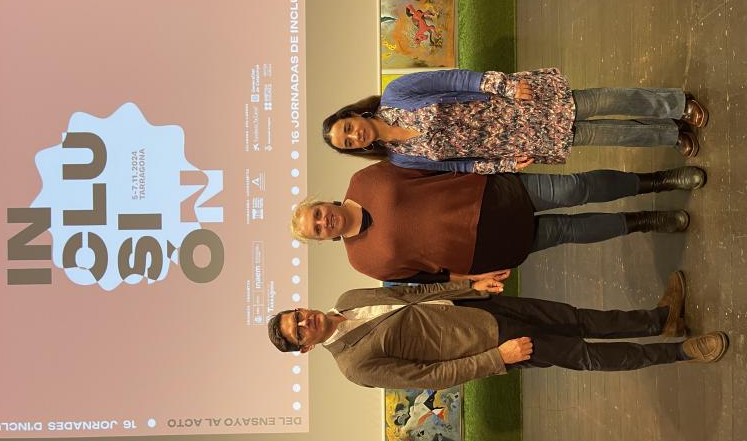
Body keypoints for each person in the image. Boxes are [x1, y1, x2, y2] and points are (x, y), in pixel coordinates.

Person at [266, 271, 729, 390]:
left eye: (297, 315)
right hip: (492, 343)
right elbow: (431, 376)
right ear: (304, 348)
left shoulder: (349, 297)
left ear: (302, 307)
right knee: (583, 354)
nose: (305, 322)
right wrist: (496, 359)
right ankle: (681, 352)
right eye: (299, 332)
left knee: (577, 317)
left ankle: (659, 320)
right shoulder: (354, 366)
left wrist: (469, 286)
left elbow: (414, 293)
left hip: (482, 307)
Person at [290, 160, 705, 282]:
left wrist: (488, 162)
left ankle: (658, 180)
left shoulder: (365, 179)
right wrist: (472, 280)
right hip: (482, 250)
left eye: (317, 214)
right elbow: (426, 277)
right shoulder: (362, 262)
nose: (324, 222)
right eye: (317, 229)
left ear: (322, 203)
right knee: (569, 231)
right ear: (323, 240)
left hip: (487, 193)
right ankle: (649, 220)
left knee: (575, 188)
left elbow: (431, 164)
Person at [322, 69, 709, 174]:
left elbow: (452, 79)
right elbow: (458, 166)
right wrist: (503, 165)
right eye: (348, 143)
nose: (354, 136)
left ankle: (676, 104)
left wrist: (502, 85)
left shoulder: (396, 94)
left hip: (513, 104)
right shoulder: (400, 158)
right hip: (513, 142)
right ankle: (669, 134)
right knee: (600, 135)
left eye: (347, 129)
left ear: (353, 114)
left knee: (599, 102)